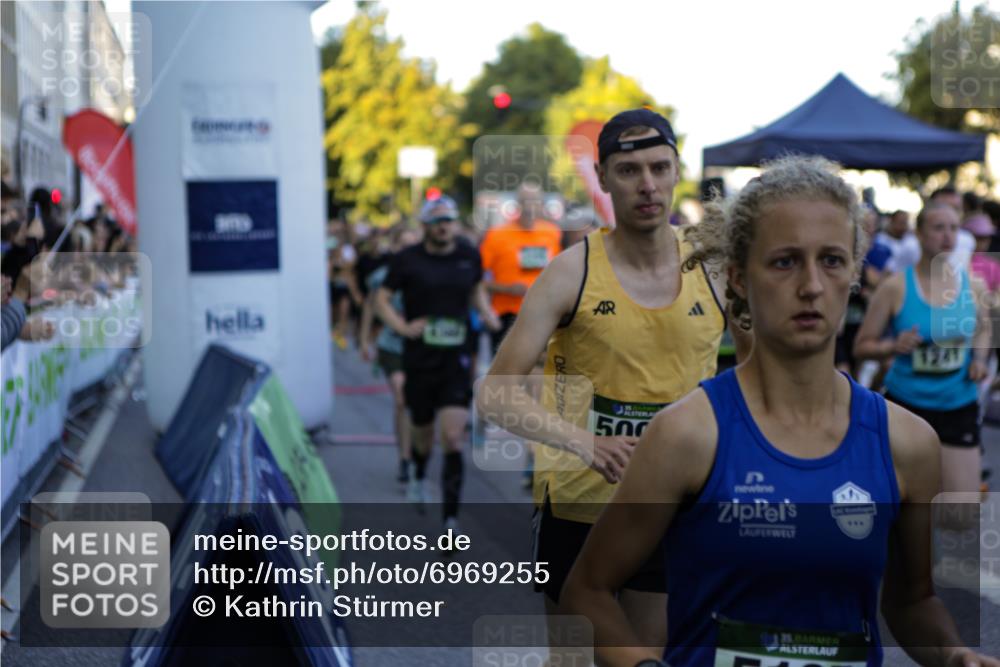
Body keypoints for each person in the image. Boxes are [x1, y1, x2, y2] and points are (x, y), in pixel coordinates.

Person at [561, 155, 997, 667]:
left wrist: (953, 655)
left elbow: (911, 601)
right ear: (741, 278)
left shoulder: (907, 443)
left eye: (831, 260)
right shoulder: (686, 434)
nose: (811, 285)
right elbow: (588, 589)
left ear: (854, 273)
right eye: (785, 261)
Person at [480, 108, 747, 656]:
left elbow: (756, 378)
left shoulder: (714, 269)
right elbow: (497, 391)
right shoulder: (570, 272)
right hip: (578, 505)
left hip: (670, 504)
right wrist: (584, 442)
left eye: (658, 168)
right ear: (602, 178)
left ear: (677, 172)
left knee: (647, 652)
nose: (647, 185)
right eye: (629, 171)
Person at [376, 195, 499, 533]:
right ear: (425, 225)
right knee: (423, 435)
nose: (444, 227)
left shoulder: (468, 255)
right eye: (437, 221)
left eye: (449, 220)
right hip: (419, 358)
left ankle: (450, 519)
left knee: (454, 438)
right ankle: (417, 472)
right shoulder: (407, 260)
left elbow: (476, 290)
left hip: (456, 358)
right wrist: (401, 326)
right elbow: (381, 299)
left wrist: (486, 313)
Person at [854, 201, 990, 496]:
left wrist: (979, 358)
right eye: (938, 228)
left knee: (963, 507)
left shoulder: (973, 286)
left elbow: (984, 326)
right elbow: (861, 347)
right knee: (908, 508)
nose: (947, 236)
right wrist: (892, 345)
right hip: (907, 405)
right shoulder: (895, 287)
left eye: (954, 228)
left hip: (958, 403)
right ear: (918, 234)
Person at [359, 225, 422, 483]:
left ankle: (417, 451)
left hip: (422, 346)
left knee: (418, 403)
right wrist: (364, 340)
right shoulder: (384, 276)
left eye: (412, 244)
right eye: (403, 245)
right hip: (392, 345)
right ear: (395, 248)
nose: (407, 250)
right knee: (401, 395)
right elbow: (370, 306)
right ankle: (405, 459)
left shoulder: (427, 274)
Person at [480, 182, 563, 356]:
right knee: (506, 374)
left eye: (534, 201)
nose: (530, 206)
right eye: (525, 201)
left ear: (541, 204)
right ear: (517, 203)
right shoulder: (497, 235)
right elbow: (478, 280)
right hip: (507, 315)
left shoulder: (552, 233)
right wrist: (506, 289)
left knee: (541, 373)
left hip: (543, 314)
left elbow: (562, 273)